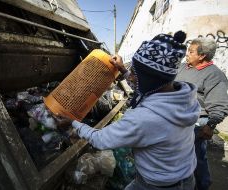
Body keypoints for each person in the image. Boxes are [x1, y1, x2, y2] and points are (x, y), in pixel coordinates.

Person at [60, 31, 200, 190]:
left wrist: (73, 123)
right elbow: (143, 86)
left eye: (134, 72)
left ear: (149, 79)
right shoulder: (180, 96)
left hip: (160, 185)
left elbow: (100, 140)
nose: (131, 77)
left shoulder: (146, 118)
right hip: (182, 177)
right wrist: (122, 69)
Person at [176, 37, 228, 190]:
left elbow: (219, 104)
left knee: (196, 157)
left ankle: (203, 185)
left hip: (197, 123)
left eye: (191, 52)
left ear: (202, 55)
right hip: (178, 119)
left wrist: (211, 125)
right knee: (180, 155)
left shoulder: (214, 75)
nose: (187, 54)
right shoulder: (183, 67)